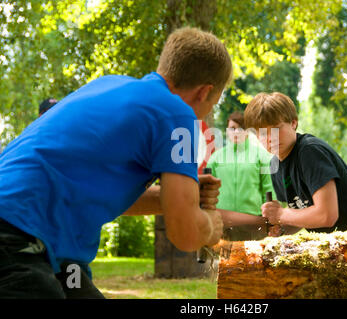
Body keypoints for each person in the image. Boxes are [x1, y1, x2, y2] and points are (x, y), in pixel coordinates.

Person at [0, 27, 231, 298]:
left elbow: (95, 187)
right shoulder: (177, 113)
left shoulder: (108, 84)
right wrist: (210, 225)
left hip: (42, 242)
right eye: (213, 105)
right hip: (16, 233)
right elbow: (186, 233)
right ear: (205, 92)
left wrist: (180, 197)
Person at [244, 92, 347, 233]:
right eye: (264, 133)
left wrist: (281, 214)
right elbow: (300, 216)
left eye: (276, 128)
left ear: (293, 123)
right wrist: (278, 228)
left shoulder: (309, 152)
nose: (271, 138)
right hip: (332, 243)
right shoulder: (275, 166)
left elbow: (326, 215)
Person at [207, 111, 274, 241]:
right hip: (222, 225)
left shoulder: (261, 156)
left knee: (255, 260)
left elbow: (269, 190)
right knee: (223, 261)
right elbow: (208, 192)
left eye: (241, 128)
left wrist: (271, 219)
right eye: (232, 129)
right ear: (227, 131)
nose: (236, 132)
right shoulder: (215, 158)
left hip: (254, 224)